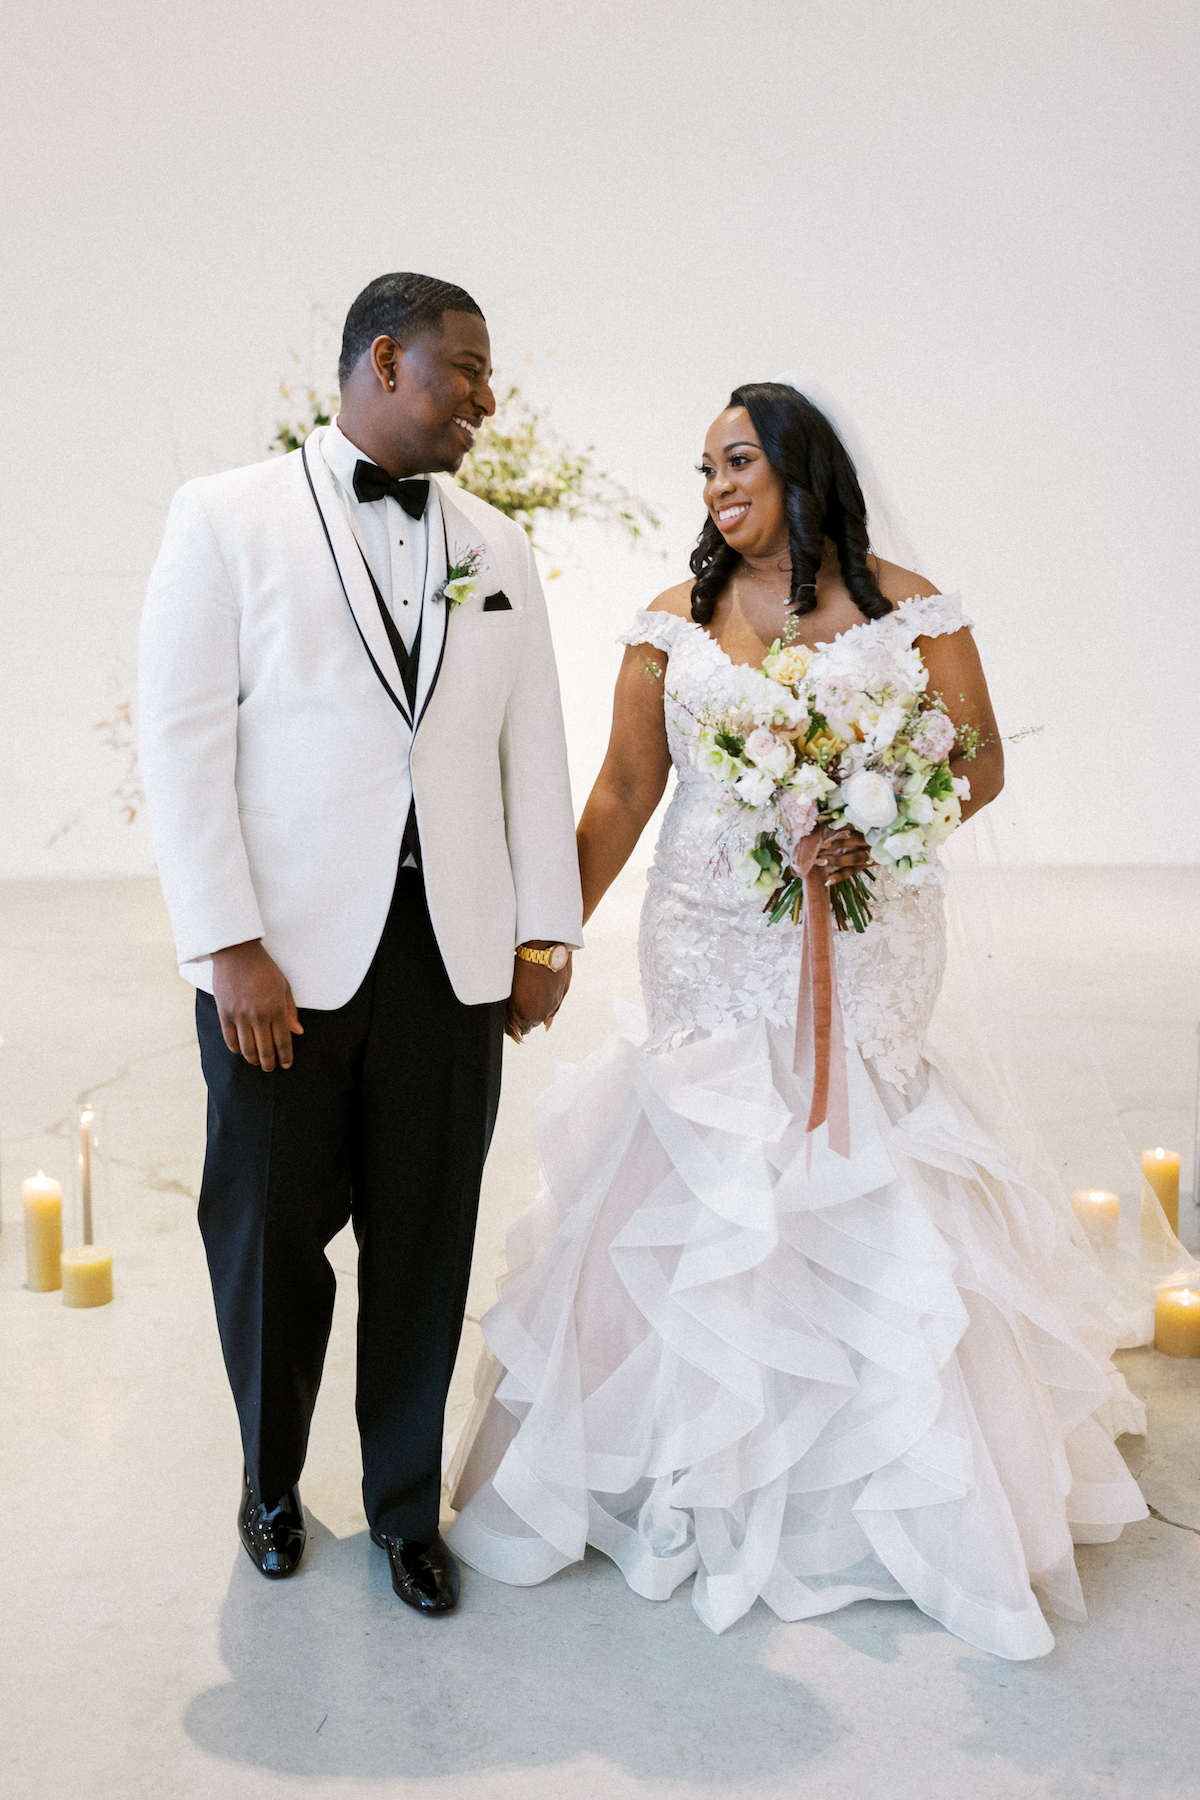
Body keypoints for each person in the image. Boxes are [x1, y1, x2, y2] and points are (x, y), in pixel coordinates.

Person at [447, 381, 1147, 1659]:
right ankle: (683, 1462)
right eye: (703, 467)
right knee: (698, 1163)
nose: (714, 485)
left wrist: (880, 815)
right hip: (708, 943)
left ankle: (876, 1494)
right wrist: (547, 938)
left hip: (864, 938)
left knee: (861, 1153)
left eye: (736, 459)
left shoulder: (908, 605)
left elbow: (977, 758)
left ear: (802, 466)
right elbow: (620, 789)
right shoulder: (675, 622)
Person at [139, 272, 582, 1616]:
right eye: (466, 370)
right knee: (269, 1236)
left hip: (450, 960)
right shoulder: (224, 518)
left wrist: (543, 930)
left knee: (426, 1239)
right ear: (383, 362)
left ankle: (404, 1510)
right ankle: (270, 1484)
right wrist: (229, 946)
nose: (487, 401)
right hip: (282, 969)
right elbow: (184, 739)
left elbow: (531, 747)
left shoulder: (499, 547)